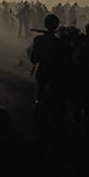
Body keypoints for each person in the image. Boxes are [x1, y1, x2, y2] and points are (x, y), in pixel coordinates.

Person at [30, 14, 70, 143]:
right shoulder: (60, 42)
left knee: (41, 99)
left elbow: (33, 59)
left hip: (43, 72)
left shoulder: (39, 40)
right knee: (55, 102)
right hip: (56, 73)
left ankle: (40, 128)